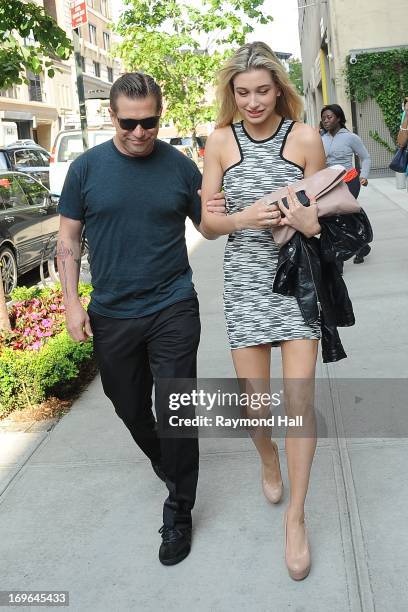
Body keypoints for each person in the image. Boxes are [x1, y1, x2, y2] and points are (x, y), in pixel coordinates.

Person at [56, 72, 225, 566]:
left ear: (159, 115)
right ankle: (163, 459)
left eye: (149, 122)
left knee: (176, 407)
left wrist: (225, 205)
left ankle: (179, 511)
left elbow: (210, 228)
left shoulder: (178, 167)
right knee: (129, 405)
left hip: (172, 303)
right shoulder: (85, 170)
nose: (139, 132)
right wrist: (70, 301)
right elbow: (67, 240)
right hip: (112, 311)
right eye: (129, 123)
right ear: (112, 117)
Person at [320, 104, 371, 265]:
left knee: (343, 216)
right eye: (323, 118)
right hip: (331, 184)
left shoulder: (350, 137)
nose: (326, 121)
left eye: (329, 117)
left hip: (350, 181)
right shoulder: (321, 139)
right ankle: (361, 247)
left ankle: (339, 259)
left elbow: (366, 157)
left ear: (339, 118)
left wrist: (363, 176)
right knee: (336, 218)